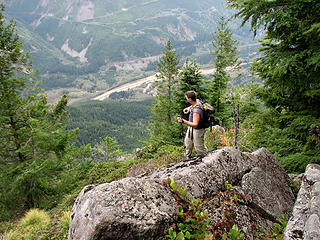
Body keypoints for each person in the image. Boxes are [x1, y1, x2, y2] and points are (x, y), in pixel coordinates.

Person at [177, 90, 207, 160]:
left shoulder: (196, 111)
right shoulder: (197, 102)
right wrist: (189, 108)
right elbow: (197, 101)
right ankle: (187, 157)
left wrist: (183, 121)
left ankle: (204, 158)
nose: (186, 99)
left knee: (199, 147)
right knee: (188, 142)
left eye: (186, 98)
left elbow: (195, 124)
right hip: (191, 128)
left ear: (190, 99)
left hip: (198, 130)